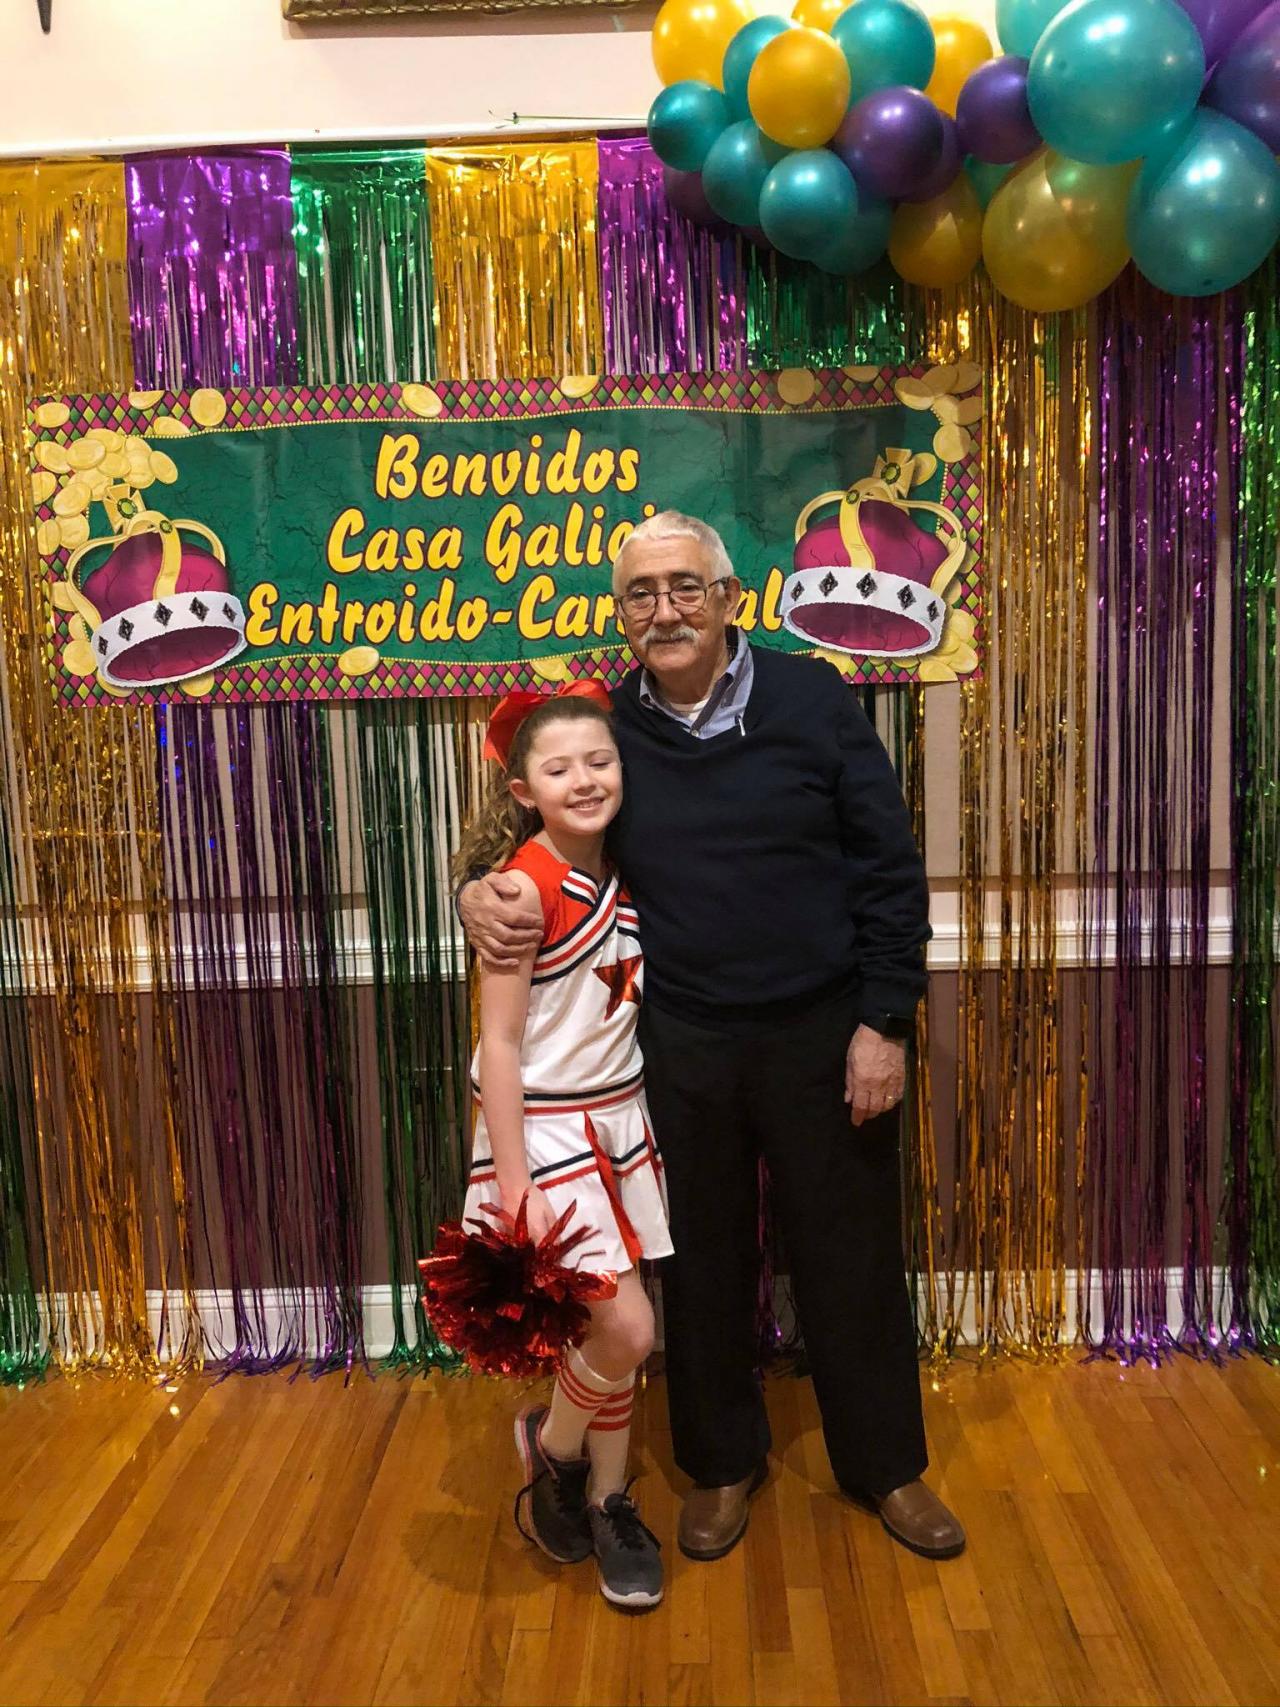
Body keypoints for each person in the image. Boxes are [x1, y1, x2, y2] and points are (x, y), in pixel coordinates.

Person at [459, 511, 964, 1564]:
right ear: (621, 614)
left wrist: (883, 1021)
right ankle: (721, 1464)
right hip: (679, 1042)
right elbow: (541, 824)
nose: (666, 610)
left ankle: (887, 1465)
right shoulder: (612, 728)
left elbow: (887, 867)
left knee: (851, 1257)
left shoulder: (811, 700)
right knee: (700, 1266)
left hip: (824, 1030)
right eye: (641, 594)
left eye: (685, 586)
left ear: (729, 597)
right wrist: (474, 890)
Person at [454, 685, 673, 1611]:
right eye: (558, 767)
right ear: (523, 790)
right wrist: (516, 1185)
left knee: (603, 1336)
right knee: (629, 1330)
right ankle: (554, 1447)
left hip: (620, 1123)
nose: (583, 779)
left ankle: (607, 1498)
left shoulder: (619, 867)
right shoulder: (521, 888)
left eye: (599, 760)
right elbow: (500, 1043)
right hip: (549, 1133)